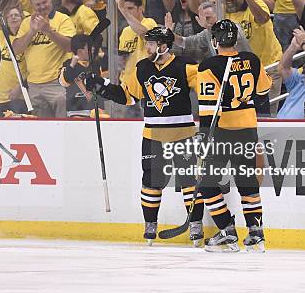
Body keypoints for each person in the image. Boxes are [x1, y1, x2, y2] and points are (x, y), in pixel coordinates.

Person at [85, 27, 205, 246]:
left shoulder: (186, 66)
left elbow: (207, 90)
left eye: (151, 44)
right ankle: (150, 224)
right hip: (153, 136)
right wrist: (101, 86)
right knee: (150, 182)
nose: (147, 47)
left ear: (164, 46)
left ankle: (195, 223)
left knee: (189, 182)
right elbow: (127, 96)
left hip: (183, 135)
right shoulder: (143, 68)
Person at [196, 19, 271, 252]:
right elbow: (263, 92)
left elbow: (209, 108)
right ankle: (256, 234)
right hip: (248, 129)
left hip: (223, 132)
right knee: (247, 183)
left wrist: (203, 138)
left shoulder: (208, 66)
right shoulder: (252, 60)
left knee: (207, 183)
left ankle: (227, 231)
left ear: (216, 41)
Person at [12, 0, 76, 117]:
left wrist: (48, 31)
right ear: (32, 6)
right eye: (38, 4)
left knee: (62, 126)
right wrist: (32, 31)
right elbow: (16, 50)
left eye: (44, 2)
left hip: (57, 84)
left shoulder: (63, 19)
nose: (42, 7)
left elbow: (70, 46)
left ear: (50, 0)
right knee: (40, 130)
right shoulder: (26, 22)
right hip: (34, 85)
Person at [59, 34, 103, 117]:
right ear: (80, 51)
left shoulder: (95, 64)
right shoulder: (68, 65)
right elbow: (64, 82)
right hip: (75, 111)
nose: (93, 49)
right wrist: (72, 65)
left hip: (96, 110)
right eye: (90, 47)